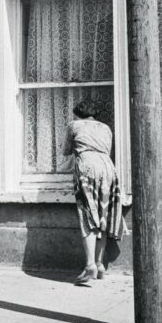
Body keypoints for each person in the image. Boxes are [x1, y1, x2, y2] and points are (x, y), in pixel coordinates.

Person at [61, 98, 124, 284]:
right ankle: (100, 264)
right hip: (107, 167)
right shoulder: (106, 128)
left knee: (87, 216)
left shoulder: (74, 125)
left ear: (78, 112)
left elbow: (65, 151)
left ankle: (90, 266)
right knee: (103, 215)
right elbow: (107, 149)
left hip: (87, 166)